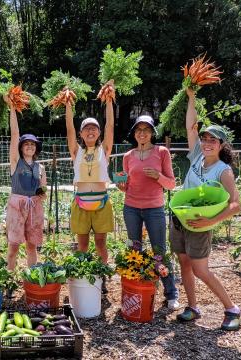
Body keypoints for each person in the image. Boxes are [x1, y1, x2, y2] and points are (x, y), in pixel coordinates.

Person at [172, 87, 241, 331]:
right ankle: (193, 307)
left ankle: (232, 308)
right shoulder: (196, 156)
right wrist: (191, 97)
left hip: (201, 223)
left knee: (201, 270)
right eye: (205, 139)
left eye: (213, 140)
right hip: (180, 216)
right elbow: (191, 124)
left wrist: (210, 221)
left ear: (221, 144)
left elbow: (236, 205)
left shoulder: (223, 170)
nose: (207, 143)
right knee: (184, 263)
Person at [117, 115, 180, 310]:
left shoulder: (162, 152)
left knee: (159, 251)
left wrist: (158, 176)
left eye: (146, 129)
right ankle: (137, 287)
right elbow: (125, 186)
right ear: (134, 134)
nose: (142, 133)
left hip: (154, 208)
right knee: (134, 249)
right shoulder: (128, 156)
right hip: (131, 207)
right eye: (138, 130)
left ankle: (171, 294)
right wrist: (121, 185)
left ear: (152, 133)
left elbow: (171, 183)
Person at [65, 81, 114, 293]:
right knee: (82, 245)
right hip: (81, 202)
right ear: (82, 134)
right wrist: (67, 104)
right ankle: (82, 275)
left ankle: (102, 277)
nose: (90, 131)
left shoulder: (105, 150)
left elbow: (111, 126)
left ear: (99, 132)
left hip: (102, 202)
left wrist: (110, 100)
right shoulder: (77, 152)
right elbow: (69, 128)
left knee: (101, 244)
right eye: (86, 129)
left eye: (94, 128)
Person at [4, 95, 47, 271]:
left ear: (36, 148)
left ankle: (32, 278)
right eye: (26, 144)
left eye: (33, 144)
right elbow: (15, 135)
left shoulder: (40, 168)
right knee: (13, 246)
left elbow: (43, 192)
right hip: (17, 207)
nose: (29, 146)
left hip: (34, 209)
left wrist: (42, 195)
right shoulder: (16, 162)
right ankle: (10, 278)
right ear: (21, 148)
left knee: (31, 246)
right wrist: (12, 108)